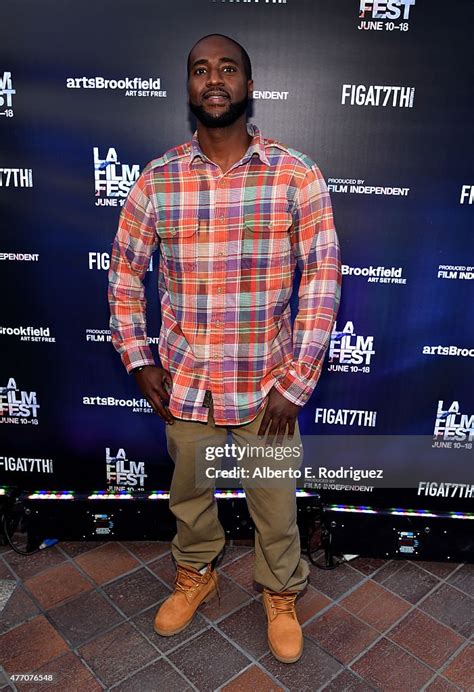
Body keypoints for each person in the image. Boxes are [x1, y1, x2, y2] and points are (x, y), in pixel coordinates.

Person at [108, 33, 341, 664]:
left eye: (228, 68)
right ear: (188, 87)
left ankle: (280, 591)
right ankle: (197, 572)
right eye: (201, 70)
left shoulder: (296, 174)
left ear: (248, 84)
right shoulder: (157, 180)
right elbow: (125, 272)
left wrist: (295, 384)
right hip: (185, 383)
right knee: (189, 497)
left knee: (273, 504)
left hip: (268, 387)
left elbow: (322, 280)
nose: (215, 79)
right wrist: (139, 356)